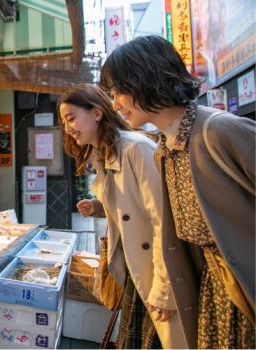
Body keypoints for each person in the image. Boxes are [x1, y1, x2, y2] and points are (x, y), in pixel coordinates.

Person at [100, 35, 255, 349]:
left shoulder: (217, 131)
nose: (115, 104)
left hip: (243, 290)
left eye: (118, 92)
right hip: (213, 294)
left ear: (144, 79)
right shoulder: (166, 148)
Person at [59, 83, 187, 348]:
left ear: (96, 113)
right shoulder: (105, 154)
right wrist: (100, 206)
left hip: (157, 274)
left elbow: (164, 220)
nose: (68, 127)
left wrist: (165, 291)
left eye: (71, 118)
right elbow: (133, 208)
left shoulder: (136, 149)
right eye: (64, 122)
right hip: (135, 270)